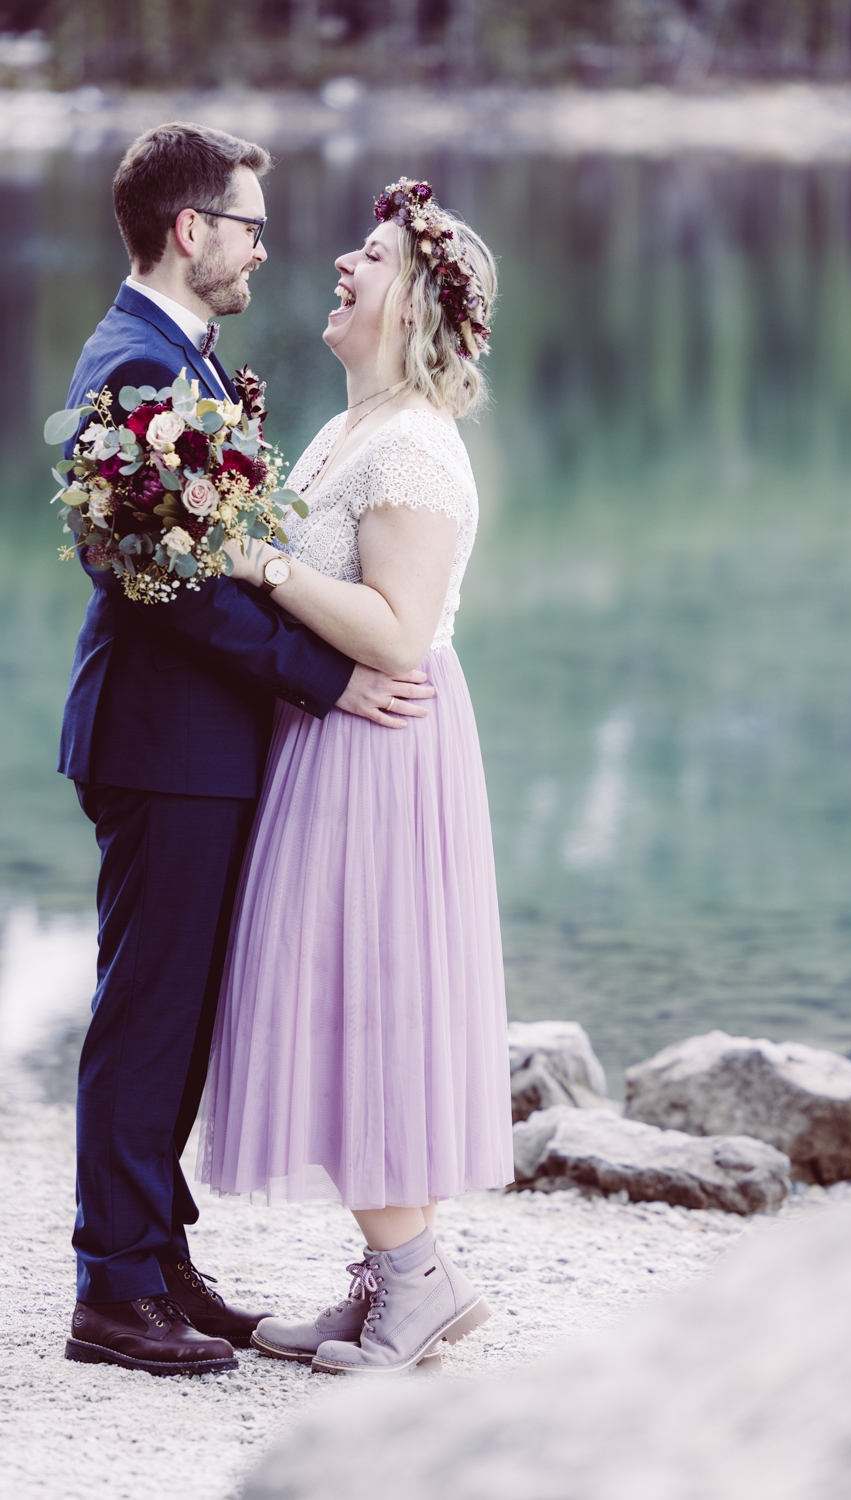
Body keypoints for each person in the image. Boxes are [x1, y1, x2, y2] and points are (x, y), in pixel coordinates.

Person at [60, 125, 434, 1378]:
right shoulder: (136, 366)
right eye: (250, 227)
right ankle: (114, 1288)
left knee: (176, 1018)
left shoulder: (180, 358)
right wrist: (329, 678)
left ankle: (157, 1259)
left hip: (195, 744)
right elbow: (163, 585)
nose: (264, 250)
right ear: (192, 230)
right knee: (147, 1016)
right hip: (162, 741)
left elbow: (208, 555)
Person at [198, 178, 513, 1374]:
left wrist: (258, 563)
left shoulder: (417, 447)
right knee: (332, 992)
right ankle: (397, 1277)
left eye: (370, 257)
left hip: (384, 743)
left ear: (415, 303)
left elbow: (399, 631)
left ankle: (417, 1281)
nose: (341, 263)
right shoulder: (350, 432)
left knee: (365, 995)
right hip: (332, 735)